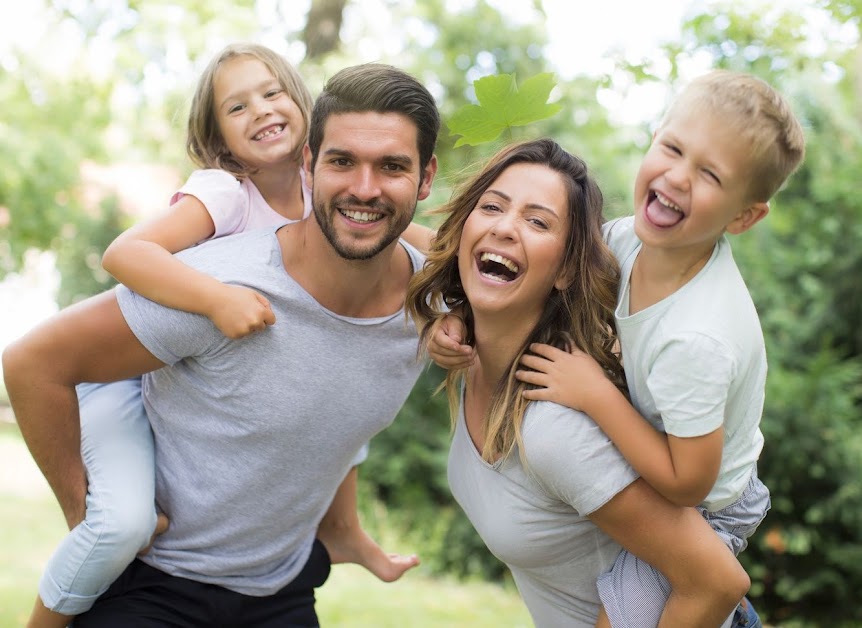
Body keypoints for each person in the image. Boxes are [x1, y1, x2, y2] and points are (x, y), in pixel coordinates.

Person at [3, 61, 439, 625]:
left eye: (392, 167)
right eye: (343, 161)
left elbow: (428, 240)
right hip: (155, 571)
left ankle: (342, 532)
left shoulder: (427, 287)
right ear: (313, 161)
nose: (364, 186)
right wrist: (214, 300)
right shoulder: (223, 216)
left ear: (425, 179)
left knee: (332, 396)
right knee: (119, 521)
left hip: (279, 588)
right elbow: (50, 342)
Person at [428, 71, 806, 626]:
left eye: (709, 174)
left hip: (709, 503)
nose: (678, 177)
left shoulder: (697, 336)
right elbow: (537, 265)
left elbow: (688, 484)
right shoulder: (631, 241)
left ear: (744, 215)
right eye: (673, 149)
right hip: (669, 467)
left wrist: (597, 395)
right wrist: (458, 311)